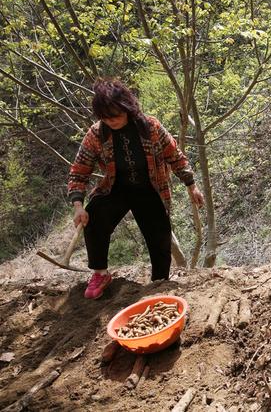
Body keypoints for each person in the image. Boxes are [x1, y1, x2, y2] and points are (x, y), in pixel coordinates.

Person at [68, 78, 205, 299]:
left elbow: (175, 156)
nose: (111, 121)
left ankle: (159, 282)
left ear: (128, 108)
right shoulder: (96, 134)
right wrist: (77, 205)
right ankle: (100, 273)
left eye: (116, 115)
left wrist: (192, 185)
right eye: (105, 117)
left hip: (150, 188)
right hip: (116, 188)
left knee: (159, 237)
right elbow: (79, 169)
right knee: (93, 217)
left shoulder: (151, 127)